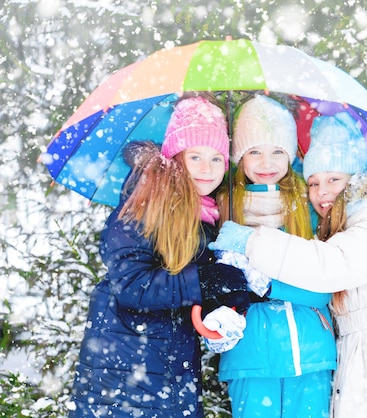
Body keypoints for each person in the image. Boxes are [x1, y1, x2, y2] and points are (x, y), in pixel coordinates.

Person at [210, 112, 367, 417]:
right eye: (313, 182)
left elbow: (329, 267)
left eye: (334, 179)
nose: (321, 192)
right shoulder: (345, 226)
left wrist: (250, 242)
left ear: (358, 178)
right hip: (364, 358)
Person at [69, 94, 250, 417]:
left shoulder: (201, 214)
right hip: (126, 369)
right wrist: (204, 282)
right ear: (175, 156)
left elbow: (176, 283)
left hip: (164, 371)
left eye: (216, 159)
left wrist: (221, 298)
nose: (207, 170)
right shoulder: (148, 198)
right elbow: (132, 285)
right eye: (195, 157)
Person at [214, 94, 337, 418]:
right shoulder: (225, 209)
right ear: (239, 157)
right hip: (250, 353)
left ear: (290, 155)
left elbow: (323, 287)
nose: (266, 163)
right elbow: (221, 285)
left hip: (309, 350)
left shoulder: (306, 209)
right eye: (254, 151)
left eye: (277, 151)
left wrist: (267, 285)